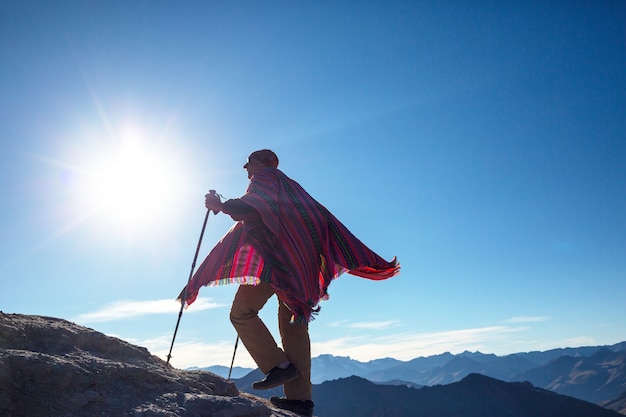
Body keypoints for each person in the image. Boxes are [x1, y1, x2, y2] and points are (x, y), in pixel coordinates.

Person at [178, 149, 399, 416]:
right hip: (300, 266)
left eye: (250, 161)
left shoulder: (266, 177)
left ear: (265, 163)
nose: (245, 166)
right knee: (294, 325)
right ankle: (300, 401)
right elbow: (304, 219)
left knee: (242, 313)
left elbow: (253, 208)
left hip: (276, 262)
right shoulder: (292, 189)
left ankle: (278, 366)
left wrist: (221, 205)